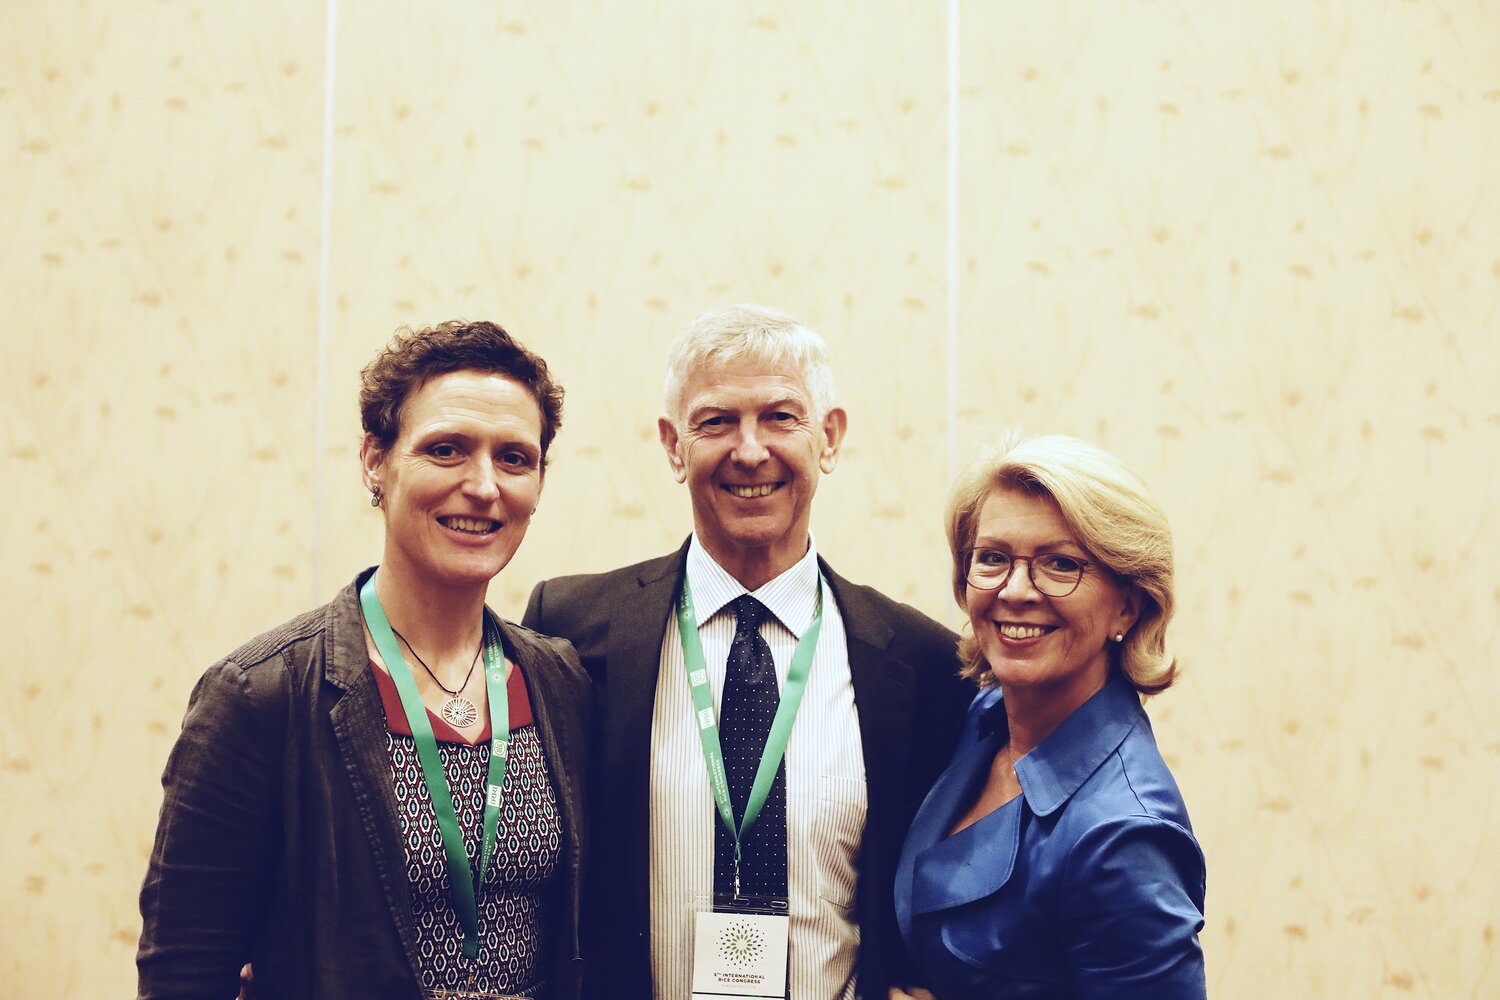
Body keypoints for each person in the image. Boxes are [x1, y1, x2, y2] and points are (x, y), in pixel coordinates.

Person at [524, 304, 972, 999]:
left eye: (780, 417)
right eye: (716, 421)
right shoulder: (572, 632)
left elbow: (946, 894)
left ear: (830, 437)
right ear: (674, 446)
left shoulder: (923, 663)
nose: (751, 449)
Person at [137, 321, 590, 1000]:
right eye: (446, 449)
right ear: (375, 461)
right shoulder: (261, 695)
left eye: (515, 459)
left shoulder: (560, 682)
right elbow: (183, 972)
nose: (484, 485)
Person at [891, 433, 1206, 999]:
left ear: (1128, 606)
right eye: (992, 559)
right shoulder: (981, 717)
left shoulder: (1124, 834)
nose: (1015, 590)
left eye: (1060, 565)